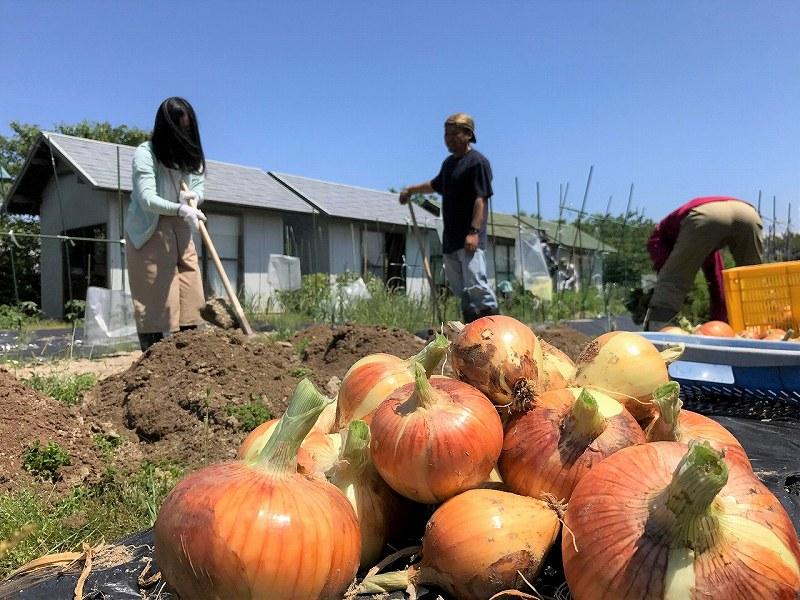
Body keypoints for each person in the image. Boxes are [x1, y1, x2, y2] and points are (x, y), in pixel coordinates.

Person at [125, 97, 208, 351]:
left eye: (188, 129)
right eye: (180, 129)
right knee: (158, 295)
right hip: (151, 228)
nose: (185, 135)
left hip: (181, 225)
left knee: (190, 288)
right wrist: (179, 207)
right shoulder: (145, 153)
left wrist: (194, 199)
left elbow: (197, 185)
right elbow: (148, 198)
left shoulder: (191, 155)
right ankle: (153, 353)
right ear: (167, 129)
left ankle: (191, 349)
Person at [399, 113, 499, 323]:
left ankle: (495, 330)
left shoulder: (477, 163)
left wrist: (473, 232)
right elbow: (434, 185)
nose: (449, 138)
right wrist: (411, 190)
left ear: (468, 134)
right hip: (451, 239)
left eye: (454, 134)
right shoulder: (449, 165)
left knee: (476, 286)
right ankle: (472, 332)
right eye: (446, 134)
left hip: (469, 238)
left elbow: (481, 199)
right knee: (461, 289)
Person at [644, 196, 763, 331]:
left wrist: (664, 290)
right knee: (753, 281)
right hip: (748, 214)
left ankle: (658, 329)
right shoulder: (705, 243)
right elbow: (716, 282)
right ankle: (762, 328)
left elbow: (669, 271)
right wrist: (719, 323)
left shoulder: (658, 236)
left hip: (706, 216)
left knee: (673, 280)